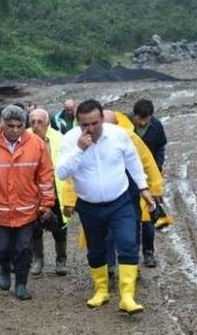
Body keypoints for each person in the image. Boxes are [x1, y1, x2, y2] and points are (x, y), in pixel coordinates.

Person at [57, 99, 156, 314]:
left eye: (94, 123)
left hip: (120, 201)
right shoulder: (70, 140)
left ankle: (127, 296)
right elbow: (62, 172)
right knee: (96, 249)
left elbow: (133, 161)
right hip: (89, 205)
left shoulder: (118, 135)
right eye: (85, 125)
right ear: (77, 122)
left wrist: (143, 188)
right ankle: (101, 290)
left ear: (102, 118)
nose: (90, 129)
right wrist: (79, 150)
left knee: (128, 242)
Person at [0, 105, 55, 300]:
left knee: (24, 248)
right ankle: (4, 268)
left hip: (27, 209)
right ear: (1, 124)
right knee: (2, 246)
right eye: (10, 126)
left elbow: (45, 177)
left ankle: (22, 284)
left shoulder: (37, 144)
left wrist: (46, 204)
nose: (15, 130)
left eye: (20, 126)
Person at [98, 110, 164, 281]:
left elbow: (148, 162)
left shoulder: (130, 138)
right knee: (106, 233)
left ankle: (131, 266)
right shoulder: (91, 141)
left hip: (130, 194)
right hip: (103, 196)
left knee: (131, 231)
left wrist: (154, 190)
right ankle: (109, 268)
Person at [28, 108, 71, 276]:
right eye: (33, 122)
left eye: (40, 122)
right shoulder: (24, 137)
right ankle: (38, 259)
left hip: (55, 189)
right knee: (34, 228)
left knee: (60, 228)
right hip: (32, 190)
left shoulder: (60, 139)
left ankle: (61, 260)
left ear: (47, 123)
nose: (36, 125)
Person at [130, 99, 168, 267]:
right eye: (140, 118)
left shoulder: (156, 126)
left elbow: (161, 147)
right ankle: (132, 255)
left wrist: (158, 166)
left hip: (149, 176)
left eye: (147, 119)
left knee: (149, 217)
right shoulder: (124, 125)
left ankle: (148, 252)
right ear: (134, 115)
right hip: (129, 178)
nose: (143, 122)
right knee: (131, 218)